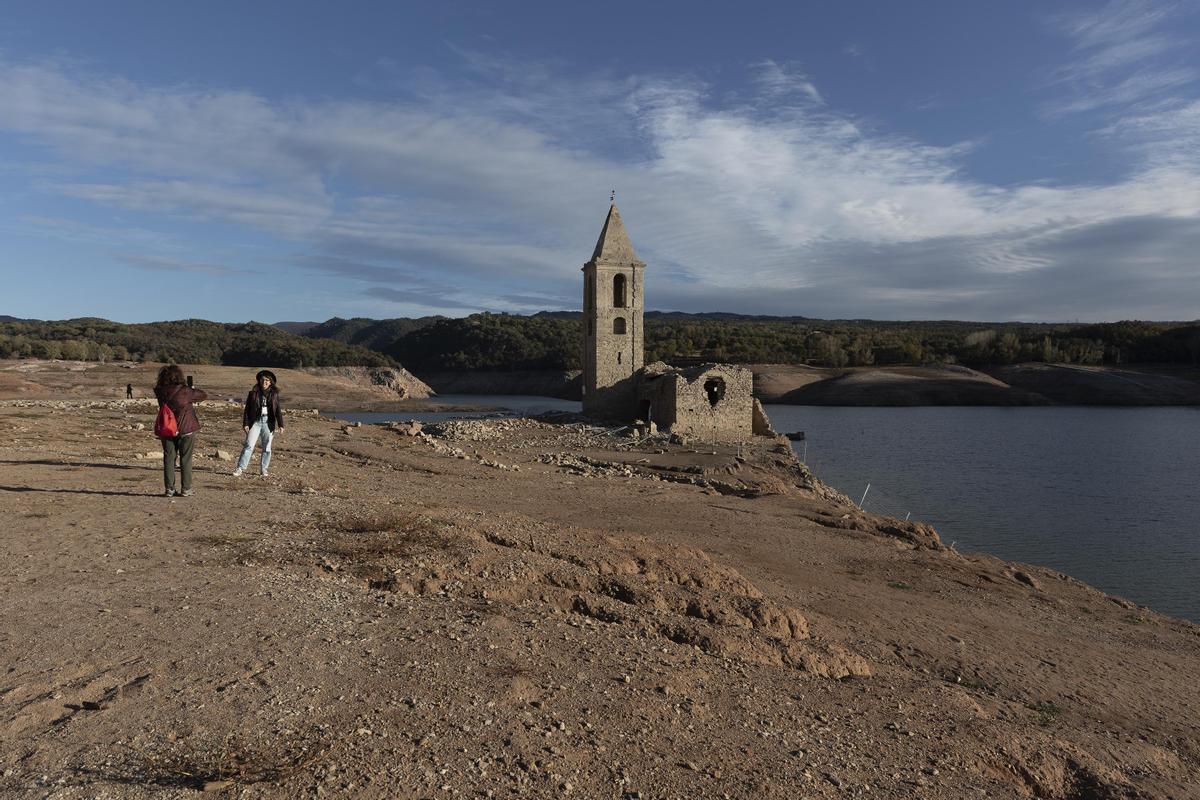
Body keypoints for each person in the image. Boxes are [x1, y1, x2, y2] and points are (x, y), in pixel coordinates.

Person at [153, 365, 208, 497]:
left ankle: (169, 489)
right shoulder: (185, 391)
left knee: (169, 458)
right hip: (186, 428)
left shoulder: (159, 391)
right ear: (179, 376)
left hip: (167, 428)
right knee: (186, 459)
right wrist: (191, 388)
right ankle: (186, 488)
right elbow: (203, 395)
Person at [233, 370, 285, 477]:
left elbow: (277, 410)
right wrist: (246, 423)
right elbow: (247, 410)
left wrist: (281, 424)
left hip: (268, 422)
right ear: (259, 381)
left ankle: (264, 470)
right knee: (248, 445)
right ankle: (240, 468)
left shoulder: (274, 394)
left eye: (267, 380)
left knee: (267, 448)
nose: (264, 382)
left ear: (270, 382)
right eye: (262, 380)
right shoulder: (253, 394)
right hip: (255, 422)